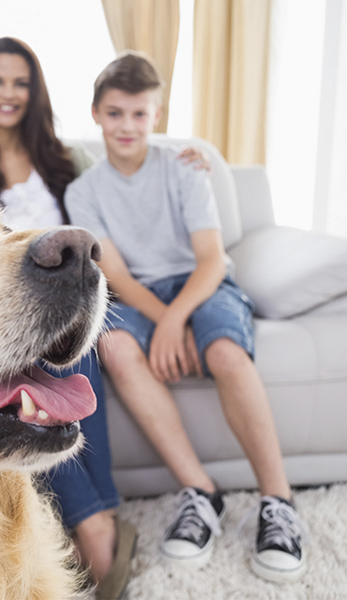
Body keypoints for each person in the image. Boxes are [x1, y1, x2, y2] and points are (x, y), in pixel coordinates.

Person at [0, 37, 204, 599]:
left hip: (75, 303)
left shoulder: (68, 161)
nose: (8, 93)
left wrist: (184, 165)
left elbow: (120, 187)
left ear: (36, 92)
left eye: (20, 82)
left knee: (91, 346)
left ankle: (96, 520)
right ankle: (96, 526)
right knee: (25, 378)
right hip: (4, 310)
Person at [65, 51, 307, 584]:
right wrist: (165, 321)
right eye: (114, 113)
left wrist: (178, 320)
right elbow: (120, 278)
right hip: (140, 297)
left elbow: (210, 260)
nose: (126, 126)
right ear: (96, 114)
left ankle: (279, 501)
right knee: (117, 347)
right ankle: (201, 491)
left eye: (138, 114)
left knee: (224, 351)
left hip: (203, 286)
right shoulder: (84, 192)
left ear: (157, 115)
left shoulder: (185, 167)